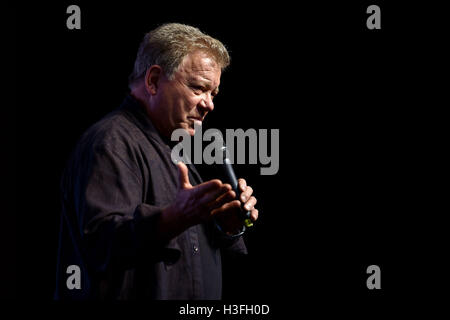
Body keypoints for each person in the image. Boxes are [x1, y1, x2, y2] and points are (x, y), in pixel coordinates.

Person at [54, 23, 259, 300]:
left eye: (213, 93)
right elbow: (101, 245)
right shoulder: (110, 143)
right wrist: (175, 217)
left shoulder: (172, 148)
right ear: (153, 81)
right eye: (199, 88)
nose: (209, 104)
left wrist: (228, 224)